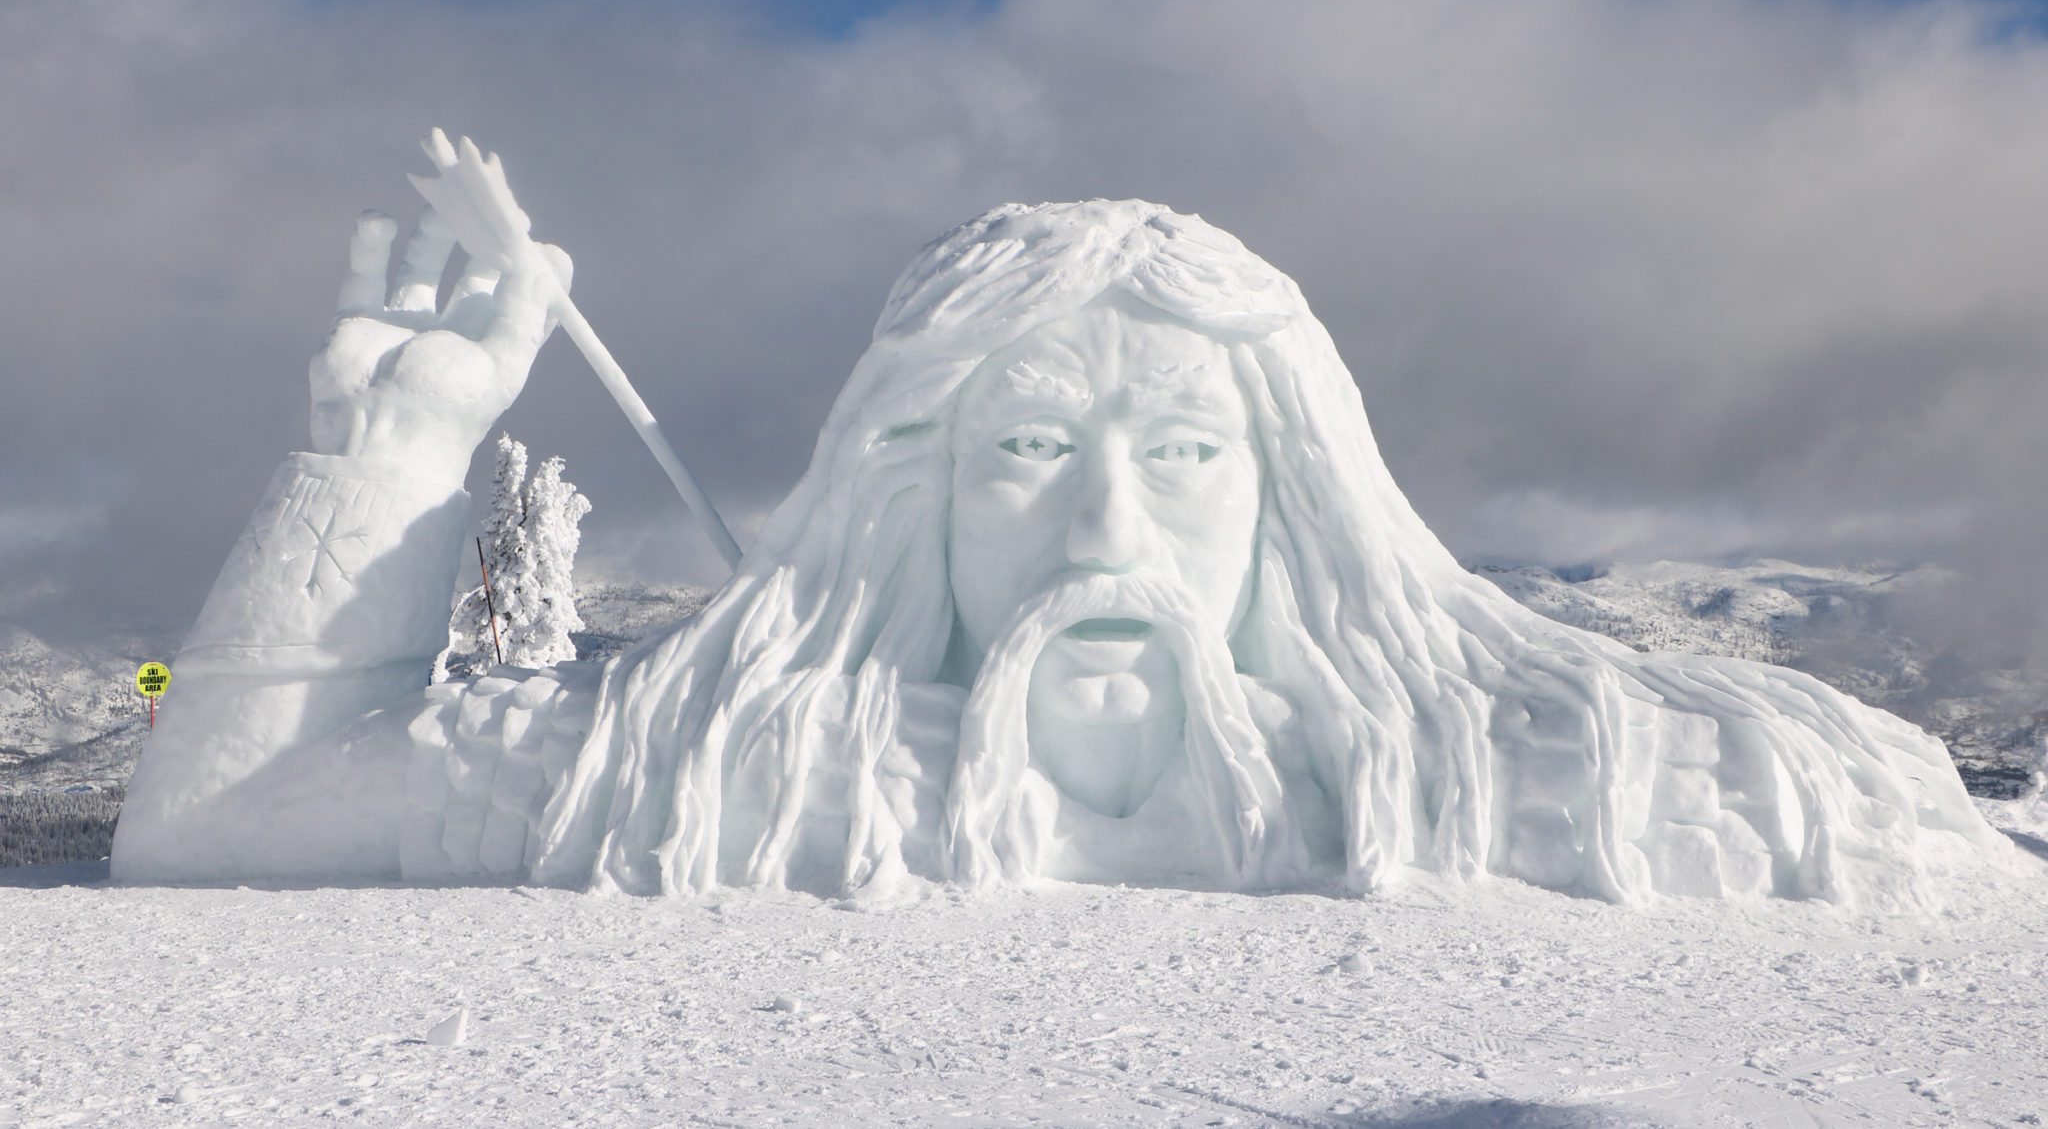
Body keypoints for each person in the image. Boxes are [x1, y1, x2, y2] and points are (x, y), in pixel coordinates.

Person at [112, 142, 2008, 908]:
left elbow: (1958, 858)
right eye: (1025, 451)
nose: (1107, 518)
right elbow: (205, 836)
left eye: (1182, 456)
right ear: (905, 489)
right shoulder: (688, 778)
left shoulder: (1592, 786)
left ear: (1298, 497)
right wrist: (395, 452)